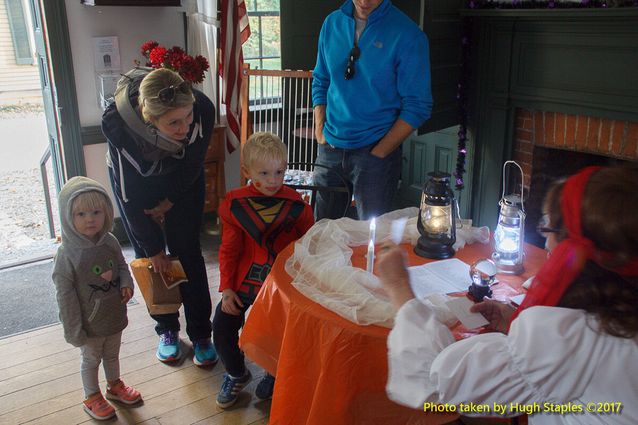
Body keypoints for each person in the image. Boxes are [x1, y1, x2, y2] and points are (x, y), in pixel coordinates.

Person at [376, 166, 638, 424]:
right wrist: (513, 324)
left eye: (548, 230)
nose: (546, 244)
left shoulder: (571, 336)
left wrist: (398, 286)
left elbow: (435, 382)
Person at [102, 68, 217, 366]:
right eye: (174, 123)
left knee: (187, 253)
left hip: (182, 181)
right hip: (138, 188)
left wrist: (171, 201)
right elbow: (129, 199)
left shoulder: (202, 110)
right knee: (154, 261)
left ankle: (202, 333)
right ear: (149, 120)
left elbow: (192, 167)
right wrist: (154, 249)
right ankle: (167, 329)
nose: (184, 127)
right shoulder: (119, 127)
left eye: (187, 117)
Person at [213, 132, 314, 408]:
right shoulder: (234, 204)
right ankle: (237, 373)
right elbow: (229, 250)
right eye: (265, 173)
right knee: (221, 328)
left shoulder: (297, 205)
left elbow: (308, 246)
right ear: (246, 171)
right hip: (244, 282)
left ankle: (274, 372)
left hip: (281, 284)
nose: (273, 180)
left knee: (278, 333)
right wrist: (227, 288)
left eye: (279, 172)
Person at [311, 0, 433, 220]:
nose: (365, 2)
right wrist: (320, 131)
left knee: (372, 239)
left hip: (375, 153)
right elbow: (321, 80)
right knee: (322, 233)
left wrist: (381, 152)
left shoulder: (408, 34)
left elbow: (418, 105)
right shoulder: (331, 24)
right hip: (330, 147)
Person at [52, 176, 142, 421]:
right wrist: (73, 330)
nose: (90, 219)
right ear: (67, 217)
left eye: (96, 212)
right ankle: (92, 396)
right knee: (91, 360)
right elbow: (65, 296)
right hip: (88, 325)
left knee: (112, 355)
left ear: (106, 212)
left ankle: (114, 385)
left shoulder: (110, 241)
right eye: (80, 214)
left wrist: (126, 283)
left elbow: (122, 266)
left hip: (113, 316)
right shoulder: (67, 254)